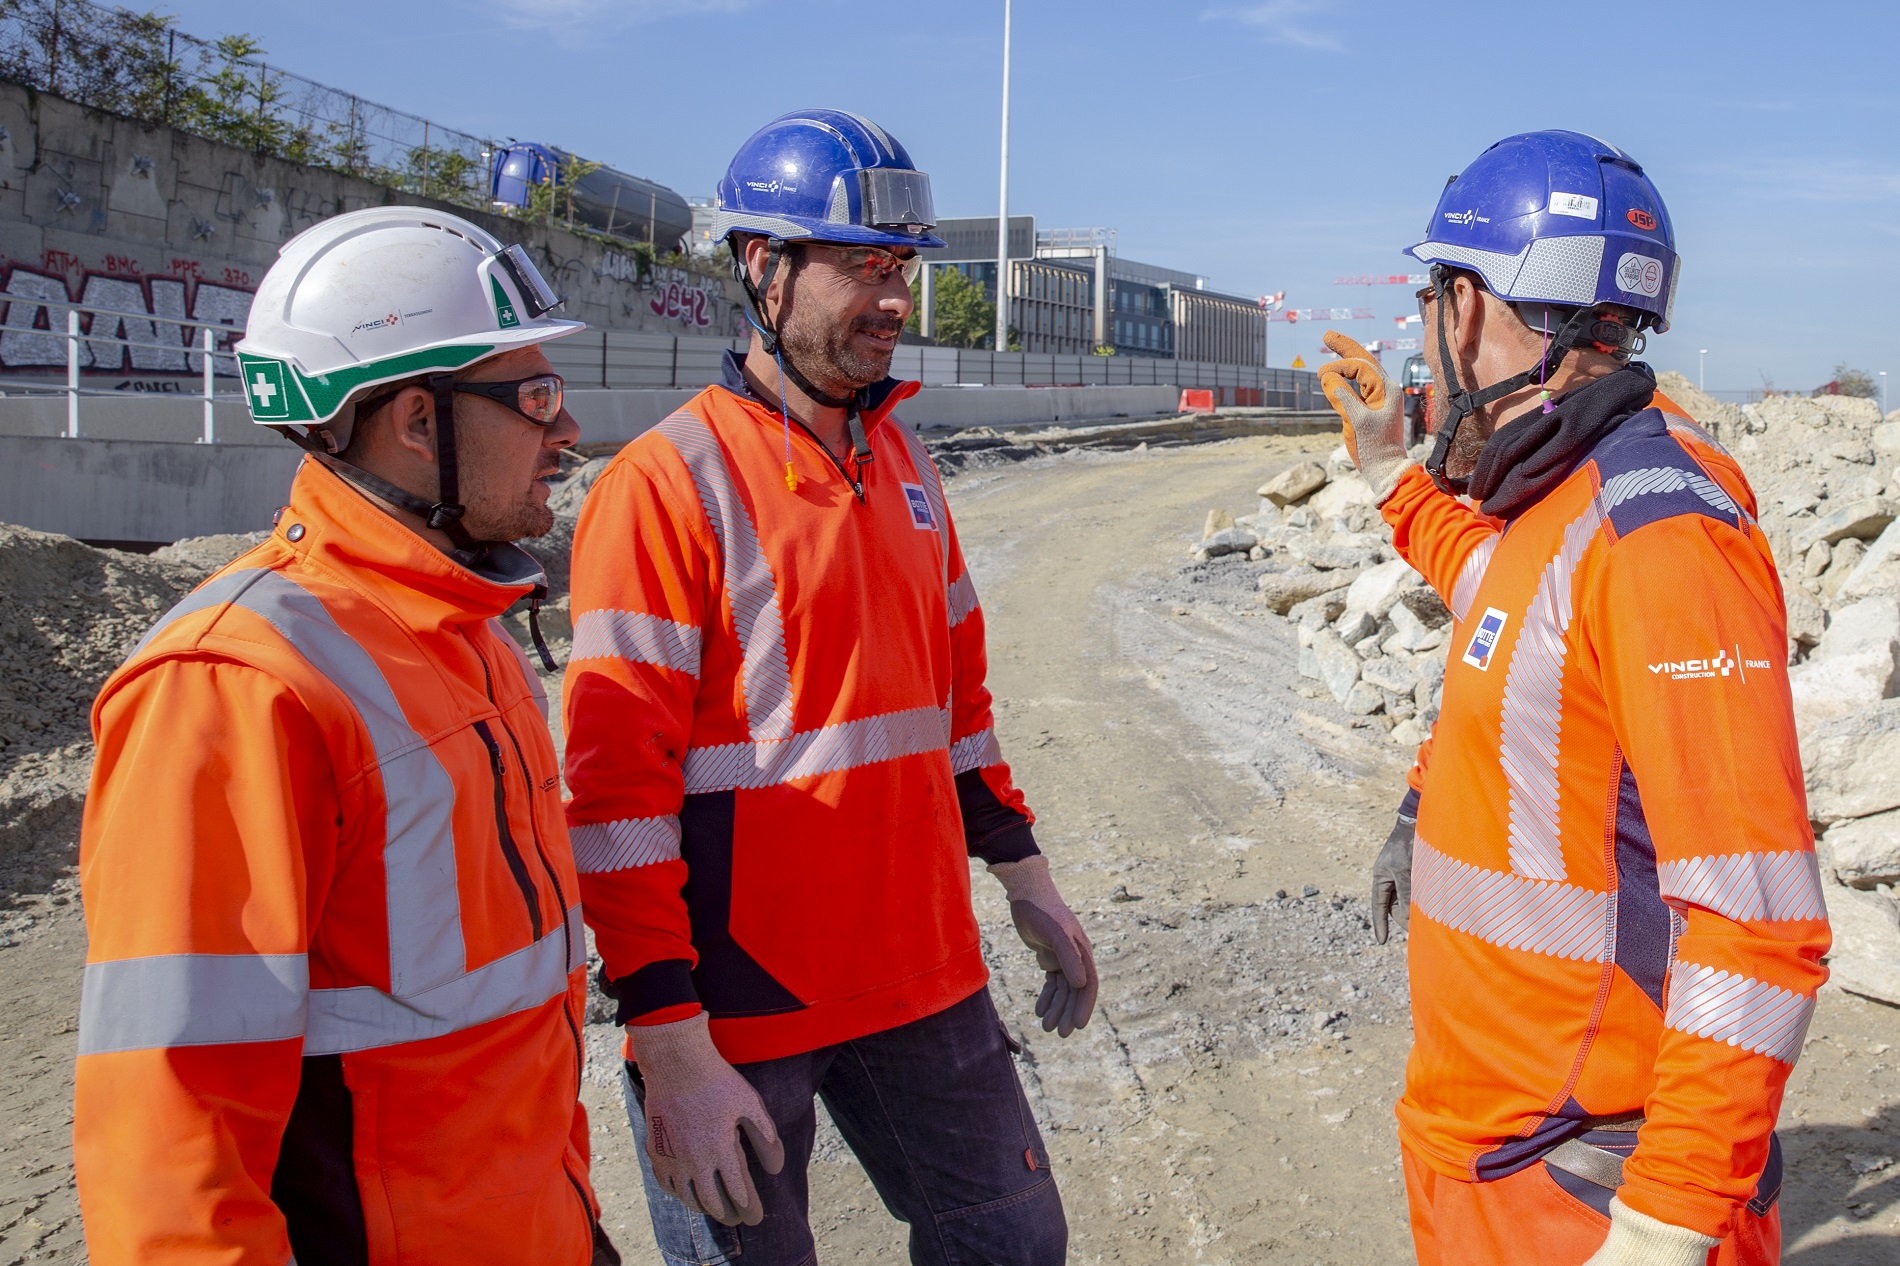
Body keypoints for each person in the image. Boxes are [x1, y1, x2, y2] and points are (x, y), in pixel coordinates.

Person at [563, 109, 1095, 1266]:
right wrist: (667, 1038)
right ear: (761, 266)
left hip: (924, 977)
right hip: (739, 1009)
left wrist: (1026, 875)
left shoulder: (903, 463)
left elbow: (956, 707)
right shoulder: (663, 486)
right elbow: (613, 802)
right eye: (859, 263)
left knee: (1013, 1247)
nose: (894, 297)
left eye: (901, 266)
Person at [1318, 130, 1830, 1266]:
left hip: (1583, 1194)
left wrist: (1661, 1229)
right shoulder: (1557, 502)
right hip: (1493, 1158)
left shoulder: (1662, 534)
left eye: (1432, 302)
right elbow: (1494, 595)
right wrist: (1386, 472)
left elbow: (1759, 928)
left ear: (1465, 308)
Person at [73, 208, 619, 1265]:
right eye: (536, 395)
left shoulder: (465, 631)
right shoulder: (234, 684)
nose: (567, 432)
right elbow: (172, 1136)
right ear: (419, 422)